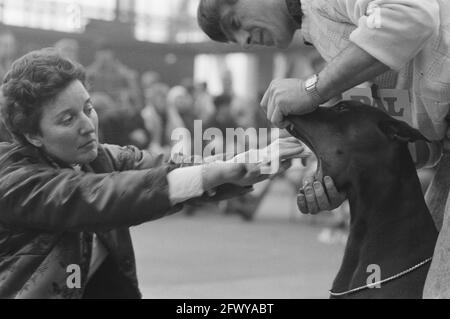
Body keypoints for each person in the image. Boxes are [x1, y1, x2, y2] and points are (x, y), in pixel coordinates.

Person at [0, 48, 305, 299]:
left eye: (88, 107)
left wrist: (256, 159)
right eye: (67, 119)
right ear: (33, 136)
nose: (88, 124)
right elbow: (100, 196)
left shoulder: (100, 158)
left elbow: (171, 166)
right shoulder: (15, 182)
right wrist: (217, 173)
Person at [198, 0, 450, 297]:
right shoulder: (319, 30)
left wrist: (312, 88)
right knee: (420, 270)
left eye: (235, 23)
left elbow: (412, 14)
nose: (245, 42)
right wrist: (341, 177)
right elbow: (414, 141)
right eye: (234, 40)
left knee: (437, 287)